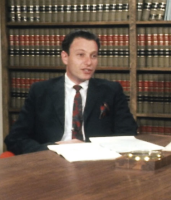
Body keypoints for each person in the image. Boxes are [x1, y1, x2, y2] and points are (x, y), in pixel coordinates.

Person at [5, 29, 137, 155]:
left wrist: (89, 148)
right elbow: (15, 138)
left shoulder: (111, 90)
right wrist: (51, 149)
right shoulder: (40, 91)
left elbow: (127, 133)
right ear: (65, 57)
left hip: (96, 160)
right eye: (81, 55)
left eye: (94, 56)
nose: (88, 62)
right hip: (51, 160)